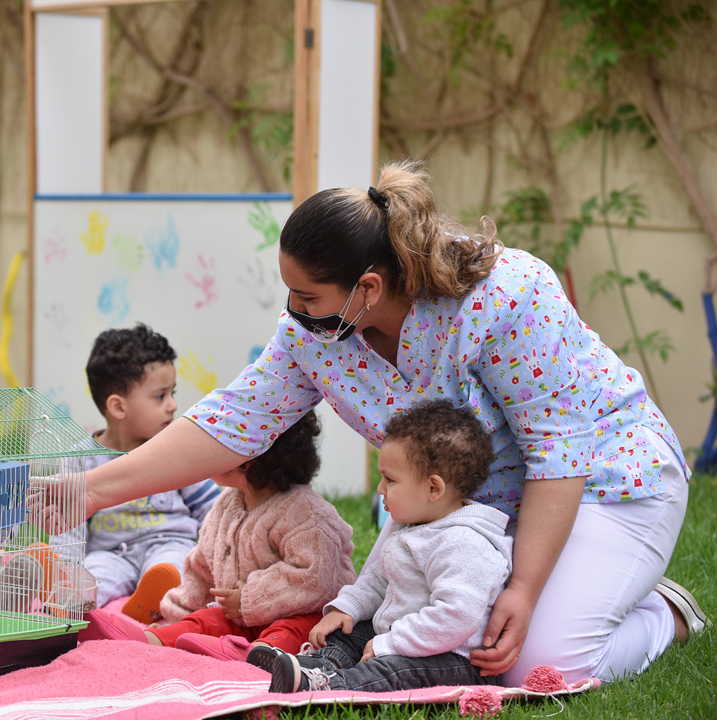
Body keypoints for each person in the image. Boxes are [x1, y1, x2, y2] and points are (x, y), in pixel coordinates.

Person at [35, 159, 709, 686]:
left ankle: (664, 614)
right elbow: (231, 421)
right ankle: (582, 591)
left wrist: (527, 588)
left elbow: (557, 450)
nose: (291, 311)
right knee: (438, 638)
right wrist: (87, 491)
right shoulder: (314, 334)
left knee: (535, 664)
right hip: (467, 513)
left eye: (306, 296)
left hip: (604, 481)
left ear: (368, 288)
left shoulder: (508, 295)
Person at [255, 400, 511, 692]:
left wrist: (391, 643)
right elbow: (379, 580)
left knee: (395, 670)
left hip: (453, 659)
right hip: (403, 637)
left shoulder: (464, 543)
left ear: (433, 488)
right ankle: (321, 664)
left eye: (389, 480)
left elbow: (455, 617)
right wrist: (347, 609)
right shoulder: (415, 527)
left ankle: (330, 685)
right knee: (351, 631)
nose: (379, 489)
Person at [79, 412, 356, 660]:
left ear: (247, 460)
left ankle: (256, 657)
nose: (205, 455)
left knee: (292, 631)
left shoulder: (307, 514)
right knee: (206, 620)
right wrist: (175, 616)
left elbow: (315, 578)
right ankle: (151, 640)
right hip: (242, 619)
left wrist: (248, 598)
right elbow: (202, 568)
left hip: (305, 617)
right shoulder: (227, 504)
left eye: (216, 448)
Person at [56, 324, 219, 624]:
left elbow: (212, 511)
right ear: (118, 407)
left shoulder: (177, 447)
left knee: (174, 567)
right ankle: (68, 602)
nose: (173, 405)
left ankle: (159, 596)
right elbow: (69, 528)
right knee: (92, 575)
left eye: (172, 393)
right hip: (111, 553)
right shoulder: (80, 458)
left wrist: (217, 561)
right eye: (160, 396)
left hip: (168, 542)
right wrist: (67, 567)